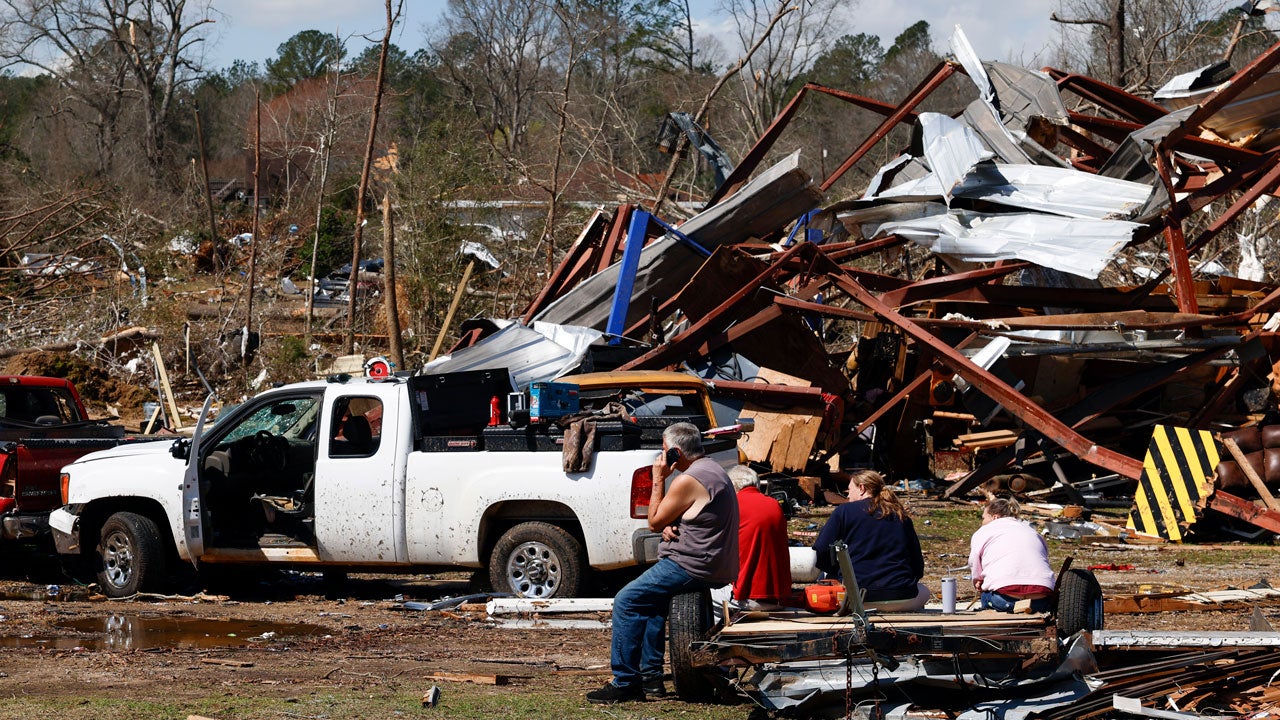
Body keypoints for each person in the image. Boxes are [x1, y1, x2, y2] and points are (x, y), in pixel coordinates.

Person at [586, 422, 739, 704]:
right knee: (652, 605)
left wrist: (658, 478)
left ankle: (625, 682)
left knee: (626, 600)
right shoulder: (714, 470)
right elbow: (694, 514)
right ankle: (651, 679)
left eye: (664, 450)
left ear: (676, 453)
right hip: (713, 562)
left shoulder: (687, 479)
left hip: (691, 563)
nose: (661, 455)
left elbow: (654, 521)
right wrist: (674, 523)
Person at [813, 470, 929, 611]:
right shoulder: (899, 514)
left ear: (862, 488)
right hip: (901, 595)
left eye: (850, 490)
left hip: (857, 599)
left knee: (824, 579)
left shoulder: (843, 512)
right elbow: (917, 564)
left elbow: (821, 549)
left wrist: (836, 572)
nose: (848, 495)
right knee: (924, 591)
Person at [969, 497, 1056, 612]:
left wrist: (978, 580)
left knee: (985, 596)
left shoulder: (984, 531)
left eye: (984, 518)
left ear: (995, 517)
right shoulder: (1032, 531)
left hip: (1005, 600)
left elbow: (974, 562)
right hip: (1041, 600)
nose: (982, 522)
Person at [729, 465, 792, 608]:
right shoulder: (775, 504)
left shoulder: (733, 505)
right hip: (780, 598)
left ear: (732, 486)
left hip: (748, 597)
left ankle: (713, 630)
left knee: (701, 593)